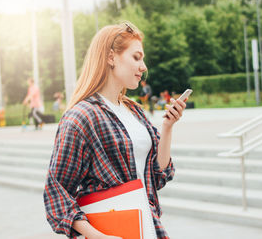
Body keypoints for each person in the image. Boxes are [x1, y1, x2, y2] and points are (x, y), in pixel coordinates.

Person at [43, 22, 187, 239]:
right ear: (111, 57)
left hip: (148, 227)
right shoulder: (81, 117)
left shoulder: (134, 111)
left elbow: (158, 175)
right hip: (112, 232)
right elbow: (56, 192)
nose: (144, 66)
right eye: (136, 57)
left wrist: (167, 128)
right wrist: (97, 236)